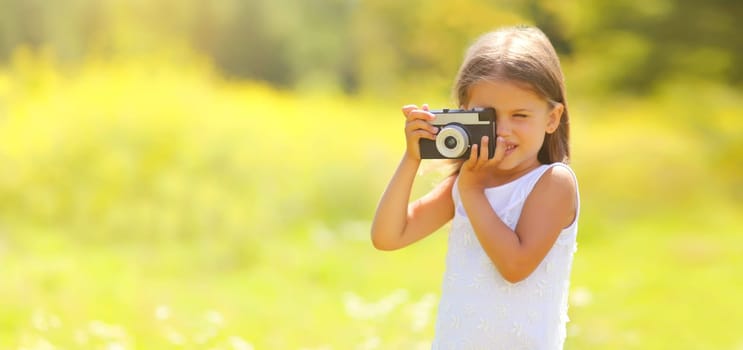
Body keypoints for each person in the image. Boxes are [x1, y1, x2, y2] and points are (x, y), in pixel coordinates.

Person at [370, 25, 579, 349]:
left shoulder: (552, 183)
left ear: (552, 119)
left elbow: (515, 265)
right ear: (464, 114)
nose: (504, 130)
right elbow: (387, 236)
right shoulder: (467, 182)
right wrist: (412, 158)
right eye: (488, 116)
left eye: (520, 115)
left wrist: (471, 191)